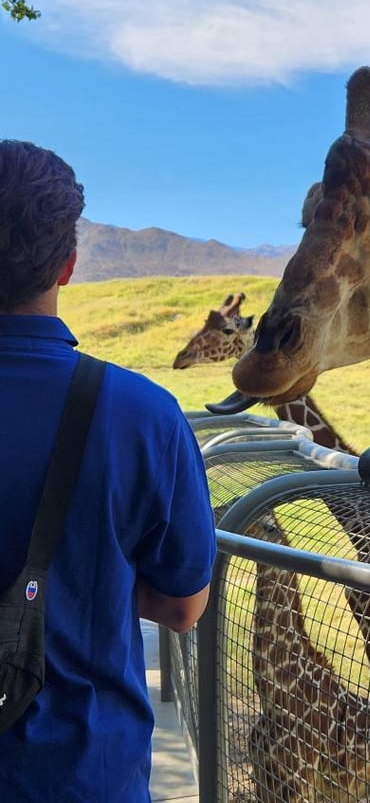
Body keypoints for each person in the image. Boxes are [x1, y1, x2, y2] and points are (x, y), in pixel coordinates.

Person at [0, 140, 216, 801]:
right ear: (67, 265)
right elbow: (183, 606)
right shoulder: (143, 415)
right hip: (86, 777)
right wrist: (91, 581)